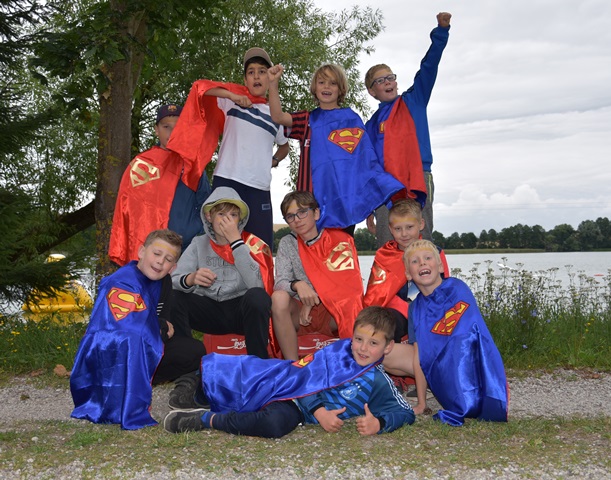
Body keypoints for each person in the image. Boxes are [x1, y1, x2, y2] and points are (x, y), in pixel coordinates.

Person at [163, 306, 416, 438]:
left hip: (295, 408)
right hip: (289, 381)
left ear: (388, 347)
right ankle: (196, 384)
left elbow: (404, 412)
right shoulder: (338, 351)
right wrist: (320, 411)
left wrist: (379, 423)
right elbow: (305, 376)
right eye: (358, 339)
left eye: (373, 343)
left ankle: (206, 419)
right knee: (244, 371)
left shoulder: (378, 381)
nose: (362, 348)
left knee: (273, 425)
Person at [166, 48, 289, 249]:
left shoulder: (275, 115)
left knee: (261, 245)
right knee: (221, 241)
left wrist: (273, 161)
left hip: (259, 186)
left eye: (262, 71)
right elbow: (200, 88)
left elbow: (285, 146)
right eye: (251, 72)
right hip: (227, 180)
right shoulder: (231, 102)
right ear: (245, 79)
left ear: (269, 78)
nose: (256, 76)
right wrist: (232, 95)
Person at [71, 229, 188, 430]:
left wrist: (158, 327)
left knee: (193, 351)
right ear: (141, 251)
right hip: (108, 350)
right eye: (156, 253)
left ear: (173, 267)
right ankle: (121, 398)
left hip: (146, 342)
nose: (160, 261)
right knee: (134, 341)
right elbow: (122, 325)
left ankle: (151, 383)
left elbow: (164, 322)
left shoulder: (165, 283)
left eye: (168, 259)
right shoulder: (121, 281)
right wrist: (158, 327)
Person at [267, 63, 405, 233]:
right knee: (311, 249)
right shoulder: (308, 120)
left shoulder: (352, 119)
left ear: (340, 89)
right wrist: (272, 83)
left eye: (333, 83)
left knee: (341, 249)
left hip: (346, 203)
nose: (327, 87)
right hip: (311, 204)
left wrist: (370, 205)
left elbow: (365, 163)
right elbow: (278, 116)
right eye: (322, 82)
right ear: (314, 87)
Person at [383, 240, 509, 426]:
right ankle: (432, 388)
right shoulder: (415, 308)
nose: (422, 263)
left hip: (469, 364)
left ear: (440, 266)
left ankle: (465, 390)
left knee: (457, 345)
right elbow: (419, 354)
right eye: (415, 261)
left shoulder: (457, 289)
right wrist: (421, 403)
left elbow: (469, 338)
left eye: (428, 258)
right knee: (383, 353)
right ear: (408, 274)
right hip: (435, 364)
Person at [365, 12, 452, 245]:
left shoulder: (414, 100)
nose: (388, 82)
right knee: (388, 244)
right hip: (386, 187)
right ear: (372, 91)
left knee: (422, 243)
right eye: (380, 80)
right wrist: (370, 208)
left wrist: (441, 32)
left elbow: (429, 67)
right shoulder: (371, 125)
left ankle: (429, 271)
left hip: (418, 177)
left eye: (390, 77)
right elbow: (368, 166)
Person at [170, 186, 274, 360]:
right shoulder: (198, 243)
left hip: (241, 312)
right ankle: (186, 359)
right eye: (221, 214)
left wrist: (236, 242)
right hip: (208, 311)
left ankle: (258, 362)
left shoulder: (251, 243)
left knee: (257, 296)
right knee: (173, 297)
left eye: (233, 215)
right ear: (209, 216)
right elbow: (173, 280)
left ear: (240, 219)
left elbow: (258, 286)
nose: (227, 220)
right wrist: (191, 278)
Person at [109, 104, 211, 265]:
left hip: (186, 253)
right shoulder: (141, 165)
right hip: (151, 254)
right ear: (156, 130)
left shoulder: (193, 166)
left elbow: (207, 207)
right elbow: (126, 209)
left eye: (178, 127)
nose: (172, 132)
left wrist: (194, 233)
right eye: (166, 127)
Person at [272, 191, 363, 360]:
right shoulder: (287, 243)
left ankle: (353, 361)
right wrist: (297, 285)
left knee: (354, 303)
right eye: (290, 216)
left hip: (331, 311)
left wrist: (315, 298)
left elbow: (347, 283)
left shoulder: (337, 240)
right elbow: (280, 282)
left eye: (302, 212)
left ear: (316, 213)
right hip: (299, 314)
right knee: (278, 298)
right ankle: (292, 365)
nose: (297, 219)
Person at [364, 199, 449, 343]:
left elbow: (445, 288)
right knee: (384, 324)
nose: (404, 234)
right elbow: (379, 293)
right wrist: (408, 310)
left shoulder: (435, 253)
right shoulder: (385, 255)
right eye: (398, 229)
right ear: (390, 229)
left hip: (429, 310)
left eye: (409, 227)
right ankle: (388, 355)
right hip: (399, 312)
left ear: (421, 224)